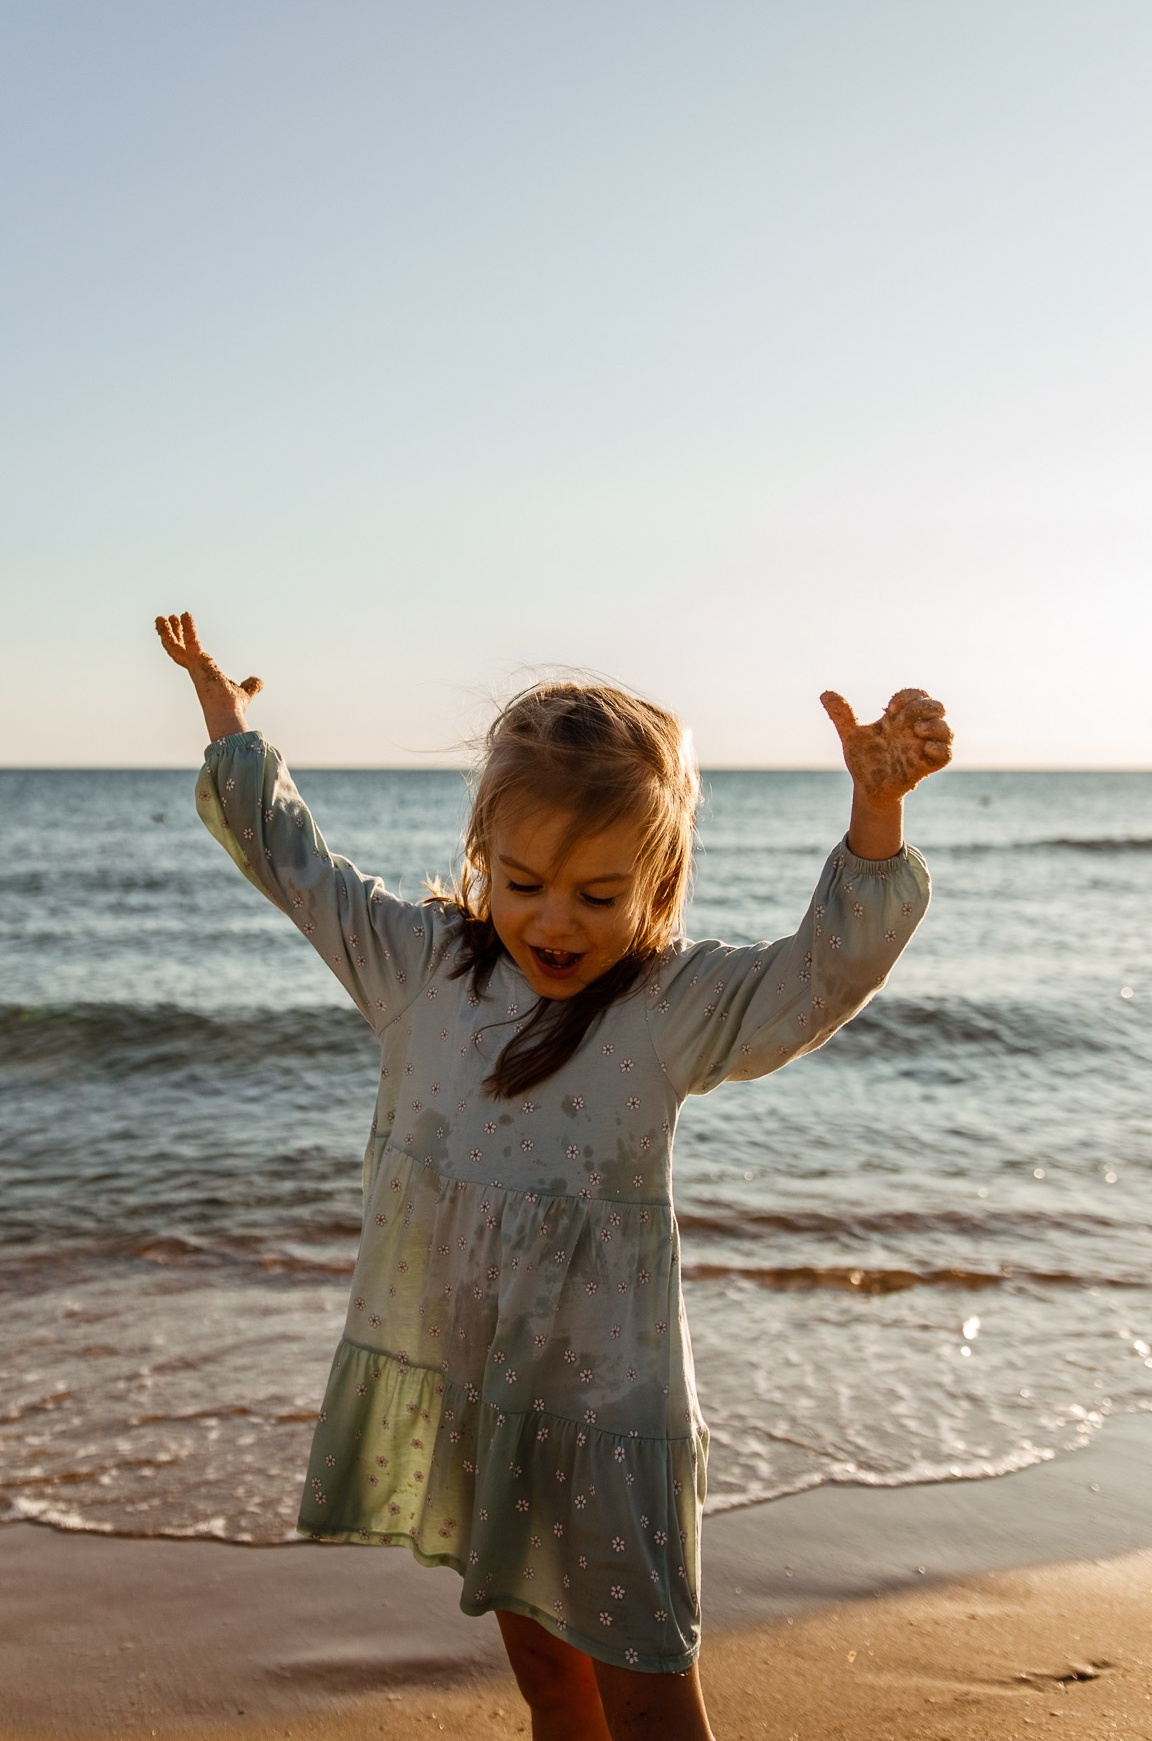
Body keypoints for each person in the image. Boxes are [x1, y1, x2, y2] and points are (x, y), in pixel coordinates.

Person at [156, 611, 952, 1741]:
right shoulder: (417, 965)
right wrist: (230, 721)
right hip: (487, 1397)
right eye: (524, 882)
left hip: (609, 1412)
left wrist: (877, 815)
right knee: (543, 1671)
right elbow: (292, 861)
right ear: (483, 857)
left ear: (658, 884)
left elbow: (821, 977)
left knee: (645, 1686)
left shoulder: (669, 1009)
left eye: (598, 893)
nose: (555, 921)